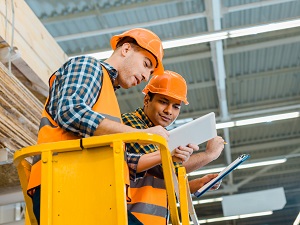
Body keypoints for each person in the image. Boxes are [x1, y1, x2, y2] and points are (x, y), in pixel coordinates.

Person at [25, 28, 192, 225]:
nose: (146, 76)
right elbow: (70, 111)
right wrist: (141, 133)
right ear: (126, 49)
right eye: (146, 65)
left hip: (89, 190)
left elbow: (121, 159)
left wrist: (166, 156)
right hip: (66, 186)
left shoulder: (108, 99)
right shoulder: (88, 66)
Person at [122, 70, 225, 225]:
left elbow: (163, 184)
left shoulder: (164, 138)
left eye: (176, 106)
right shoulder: (131, 124)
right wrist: (209, 155)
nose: (169, 111)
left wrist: (196, 184)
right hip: (129, 218)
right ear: (147, 100)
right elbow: (161, 168)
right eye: (163, 102)